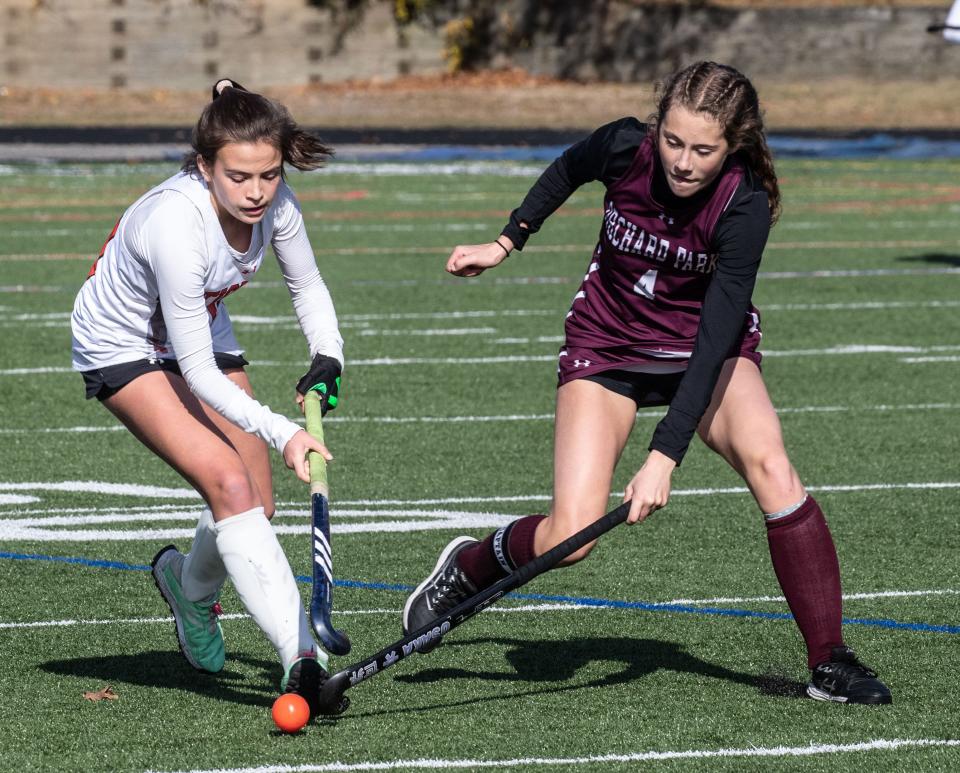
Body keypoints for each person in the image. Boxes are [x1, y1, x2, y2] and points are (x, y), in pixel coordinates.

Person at [403, 61, 891, 705]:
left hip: (701, 352)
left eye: (704, 150)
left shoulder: (743, 207)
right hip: (606, 346)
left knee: (773, 467)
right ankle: (466, 569)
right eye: (674, 141)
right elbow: (567, 169)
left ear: (733, 147)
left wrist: (664, 456)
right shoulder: (624, 146)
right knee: (569, 538)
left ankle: (830, 660)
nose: (684, 162)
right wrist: (507, 240)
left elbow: (716, 341)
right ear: (657, 126)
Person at [71, 79, 347, 718]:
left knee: (256, 501)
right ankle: (302, 659)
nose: (256, 192)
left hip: (196, 320)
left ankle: (186, 588)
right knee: (227, 478)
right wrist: (285, 431)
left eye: (270, 175)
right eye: (239, 176)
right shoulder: (176, 224)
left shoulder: (276, 204)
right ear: (204, 166)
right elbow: (196, 373)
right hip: (122, 341)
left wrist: (327, 355)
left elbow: (306, 284)